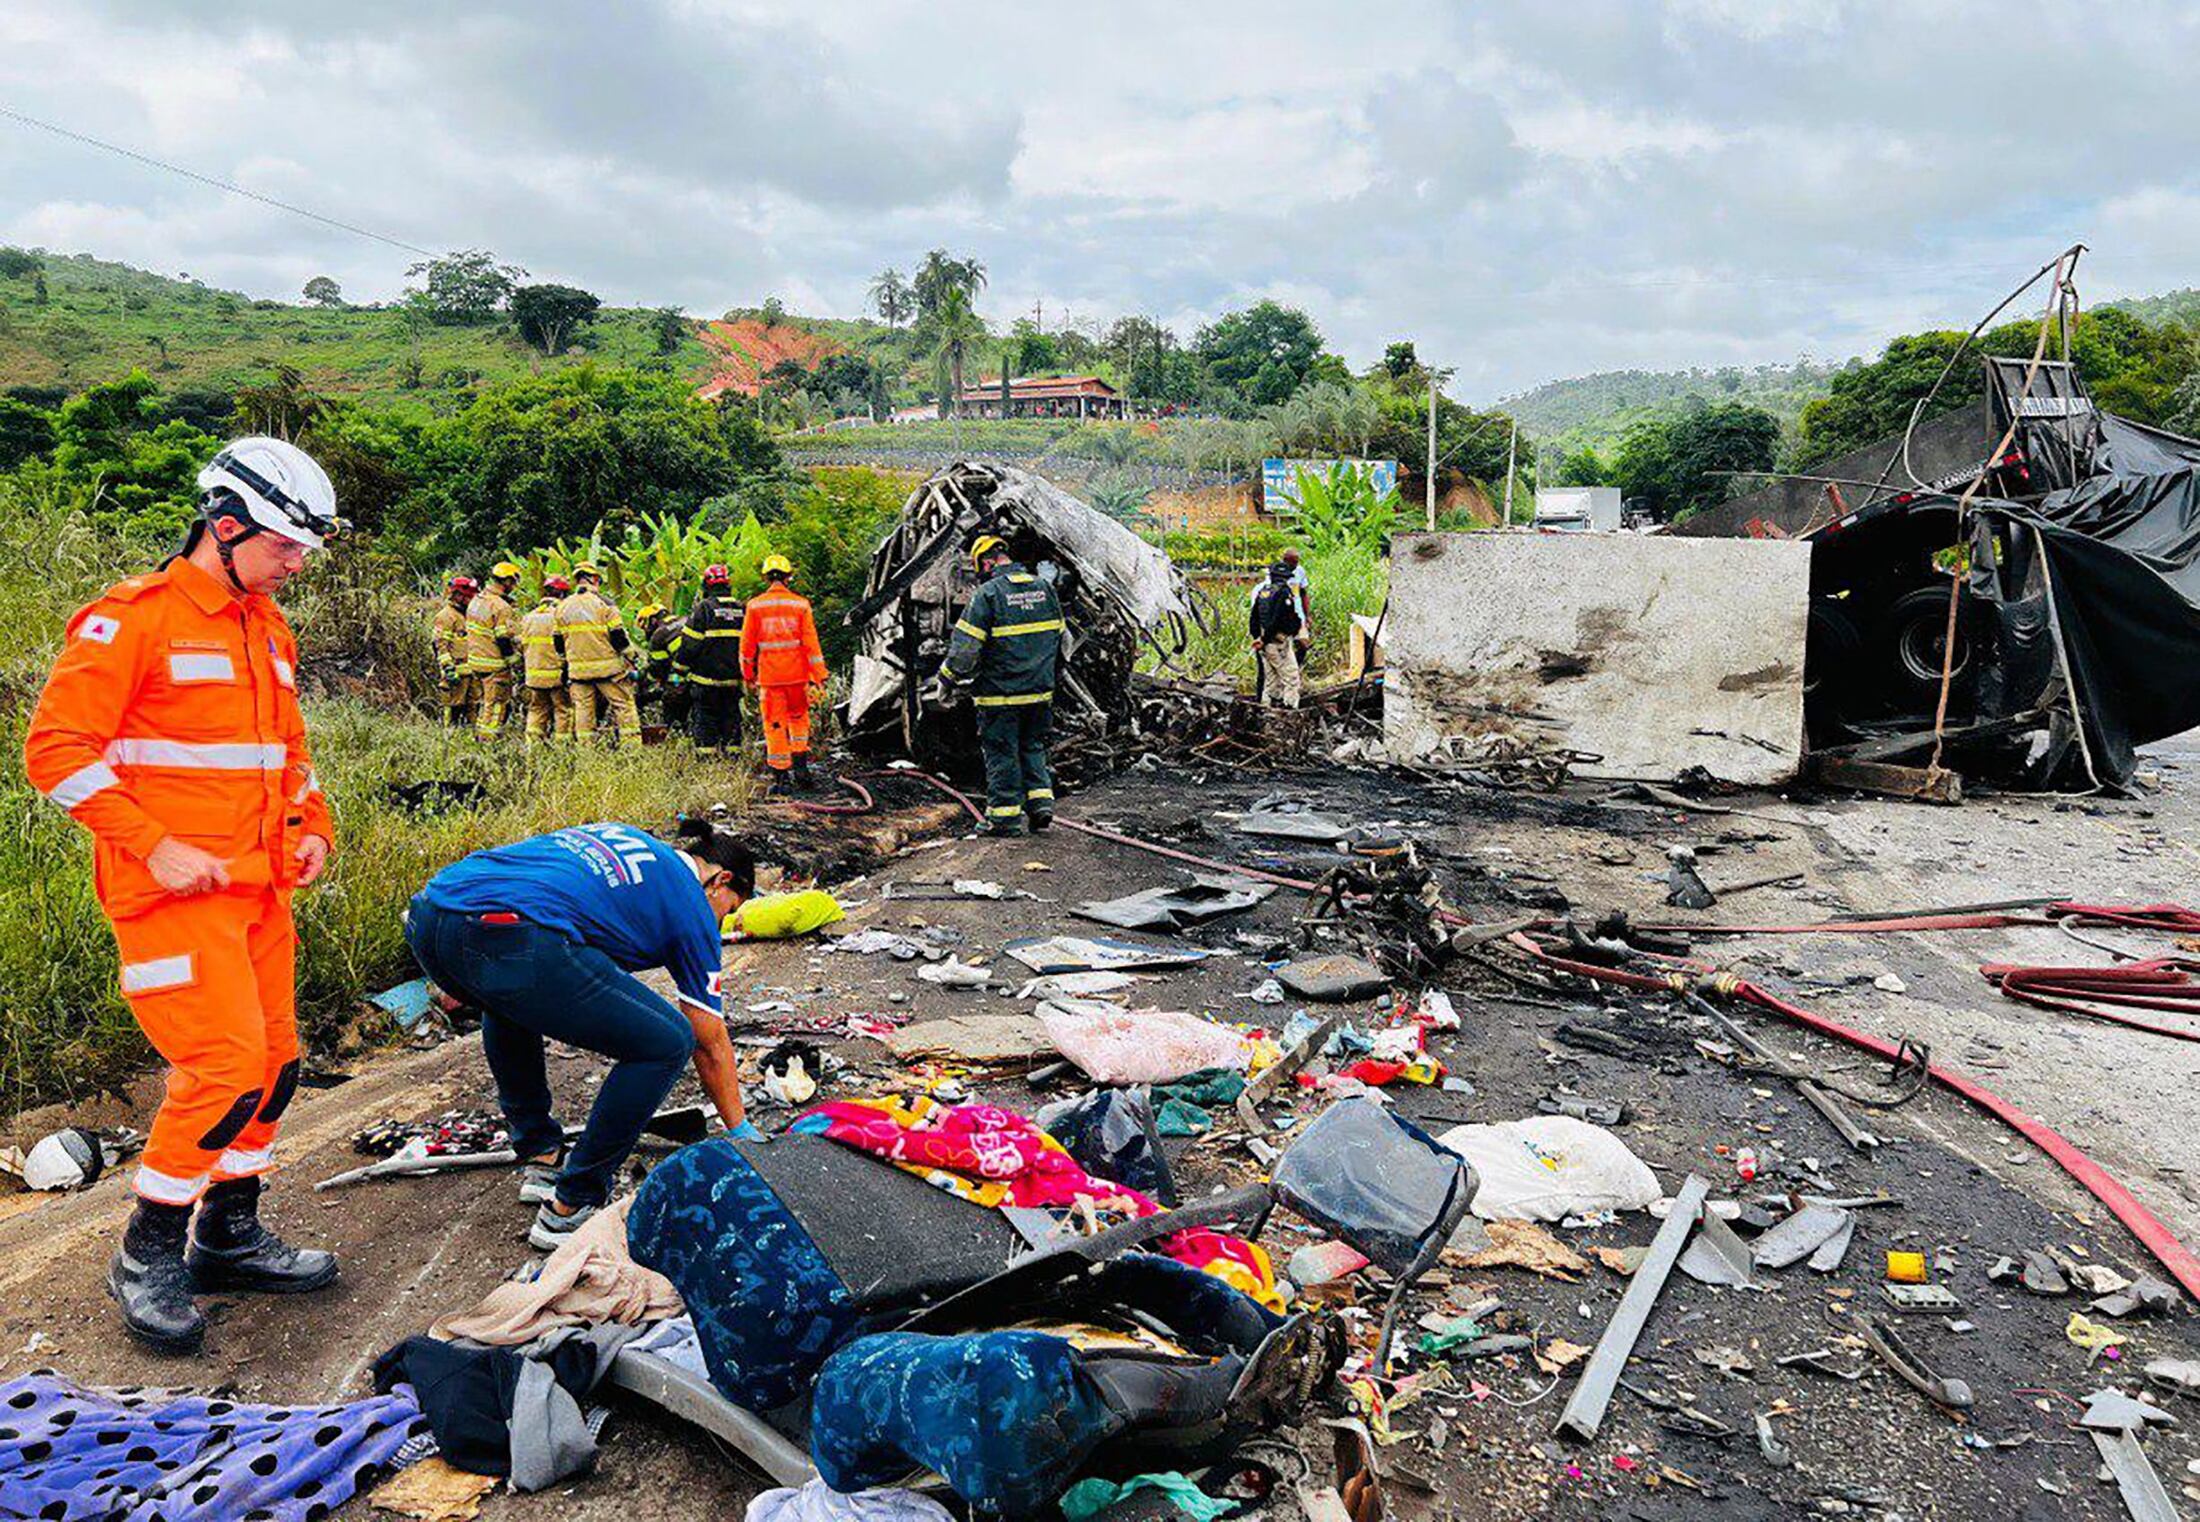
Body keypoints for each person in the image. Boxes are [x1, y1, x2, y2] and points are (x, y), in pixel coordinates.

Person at [24, 436, 342, 1351]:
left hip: (259, 892)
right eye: (285, 547)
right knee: (224, 1070)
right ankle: (145, 1252)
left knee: (276, 1064)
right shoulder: (134, 620)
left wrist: (312, 823)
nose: (296, 564)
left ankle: (228, 1236)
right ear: (227, 525)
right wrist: (153, 846)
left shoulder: (266, 628)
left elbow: (288, 753)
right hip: (171, 899)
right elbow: (55, 753)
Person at [404, 819, 757, 1249]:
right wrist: (740, 1130)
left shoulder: (624, 836)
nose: (721, 921)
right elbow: (709, 1039)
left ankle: (541, 1155)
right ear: (719, 881)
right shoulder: (692, 906)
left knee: (509, 997)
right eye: (729, 909)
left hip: (431, 915)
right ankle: (572, 1205)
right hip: (510, 934)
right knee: (667, 1042)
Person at [940, 535, 1064, 837]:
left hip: (1000, 695)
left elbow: (965, 650)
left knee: (1002, 752)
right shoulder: (1045, 589)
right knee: (1032, 746)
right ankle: (1040, 807)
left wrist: (947, 678)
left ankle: (1004, 819)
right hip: (1040, 692)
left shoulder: (988, 594)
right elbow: (1061, 640)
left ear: (986, 562)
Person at [739, 554, 827, 788]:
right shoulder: (801, 605)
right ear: (788, 577)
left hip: (770, 679)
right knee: (798, 720)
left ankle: (781, 777)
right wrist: (819, 675)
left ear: (766, 577)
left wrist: (748, 675)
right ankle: (801, 769)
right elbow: (812, 644)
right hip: (797, 677)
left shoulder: (755, 606)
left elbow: (747, 647)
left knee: (775, 724)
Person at [558, 562, 641, 745]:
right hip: (608, 670)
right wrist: (631, 656)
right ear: (594, 579)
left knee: (583, 711)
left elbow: (558, 643)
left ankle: (586, 750)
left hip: (578, 671)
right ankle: (632, 748)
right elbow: (618, 636)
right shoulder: (605, 603)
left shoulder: (563, 606)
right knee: (623, 706)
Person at [674, 563, 744, 754]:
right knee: (731, 717)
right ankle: (733, 755)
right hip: (733, 680)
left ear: (706, 585)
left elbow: (689, 645)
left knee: (705, 719)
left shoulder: (703, 609)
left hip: (706, 680)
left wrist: (679, 670)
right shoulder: (741, 609)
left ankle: (707, 759)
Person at [465, 562, 523, 741]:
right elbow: (502, 638)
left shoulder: (477, 600)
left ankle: (480, 736)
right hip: (494, 664)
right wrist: (514, 659)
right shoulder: (500, 607)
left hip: (476, 662)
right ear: (505, 581)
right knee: (496, 705)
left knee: (485, 705)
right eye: (512, 582)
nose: (513, 587)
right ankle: (488, 743)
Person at [518, 575, 573, 744]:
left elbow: (522, 646)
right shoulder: (561, 615)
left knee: (536, 710)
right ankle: (562, 748)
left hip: (534, 676)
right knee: (563, 710)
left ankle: (531, 746)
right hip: (557, 676)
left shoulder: (529, 617)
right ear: (563, 595)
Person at [1249, 558, 1307, 710]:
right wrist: (1265, 638)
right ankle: (1290, 711)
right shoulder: (1283, 593)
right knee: (1291, 678)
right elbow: (1278, 620)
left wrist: (1257, 638)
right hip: (1278, 643)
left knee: (1271, 680)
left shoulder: (1263, 592)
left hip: (1265, 644)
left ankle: (1266, 710)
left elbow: (1253, 618)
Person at [433, 575, 479, 729]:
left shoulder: (468, 616)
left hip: (471, 672)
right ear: (458, 595)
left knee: (473, 708)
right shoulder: (446, 616)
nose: (471, 600)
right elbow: (440, 644)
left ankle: (471, 739)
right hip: (455, 673)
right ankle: (449, 738)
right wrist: (448, 668)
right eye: (468, 597)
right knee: (453, 708)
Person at [635, 602, 689, 731]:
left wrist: (642, 681)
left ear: (652, 620)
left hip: (684, 677)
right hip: (709, 671)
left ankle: (675, 733)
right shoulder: (686, 619)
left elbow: (658, 669)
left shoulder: (659, 635)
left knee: (671, 697)